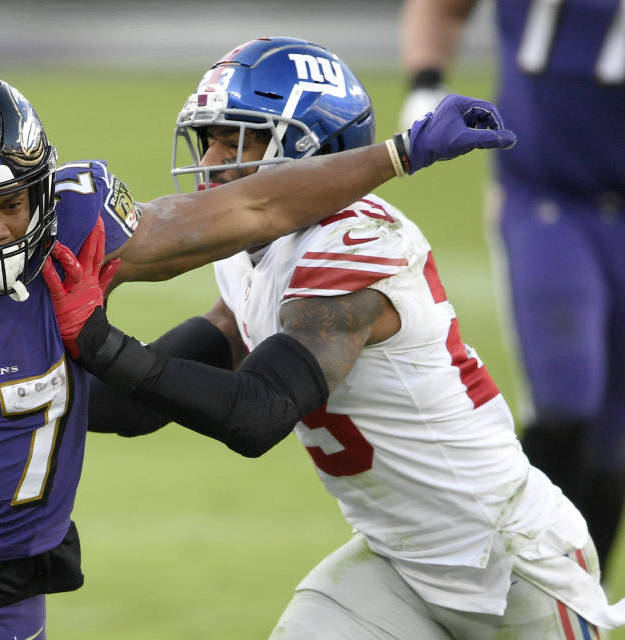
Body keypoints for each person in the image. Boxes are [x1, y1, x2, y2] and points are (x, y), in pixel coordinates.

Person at [0, 66, 511, 639]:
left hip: (13, 597)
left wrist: (401, 153)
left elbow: (255, 203)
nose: (0, 229)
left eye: (13, 202)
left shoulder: (78, 233)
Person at [43, 37, 625, 637]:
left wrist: (102, 342)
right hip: (398, 560)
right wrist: (37, 363)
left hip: (510, 559)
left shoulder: (357, 245)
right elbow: (133, 404)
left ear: (308, 148)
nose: (213, 158)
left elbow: (256, 414)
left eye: (237, 138)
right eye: (209, 136)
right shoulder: (251, 256)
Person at [398, 0, 625, 572]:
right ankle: (520, 583)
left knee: (616, 431)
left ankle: (577, 602)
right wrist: (426, 81)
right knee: (566, 395)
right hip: (549, 194)